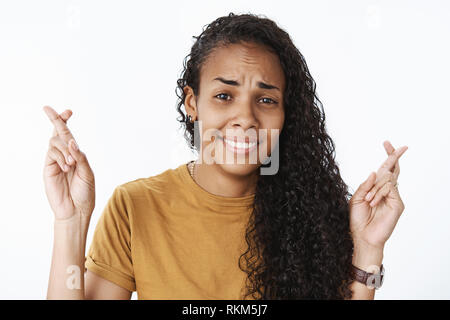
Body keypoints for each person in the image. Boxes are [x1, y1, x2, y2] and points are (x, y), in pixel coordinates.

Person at [44, 13, 407, 300]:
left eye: (266, 100)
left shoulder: (310, 215)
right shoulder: (135, 207)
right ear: (192, 104)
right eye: (224, 96)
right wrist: (71, 222)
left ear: (285, 115)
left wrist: (368, 248)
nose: (246, 119)